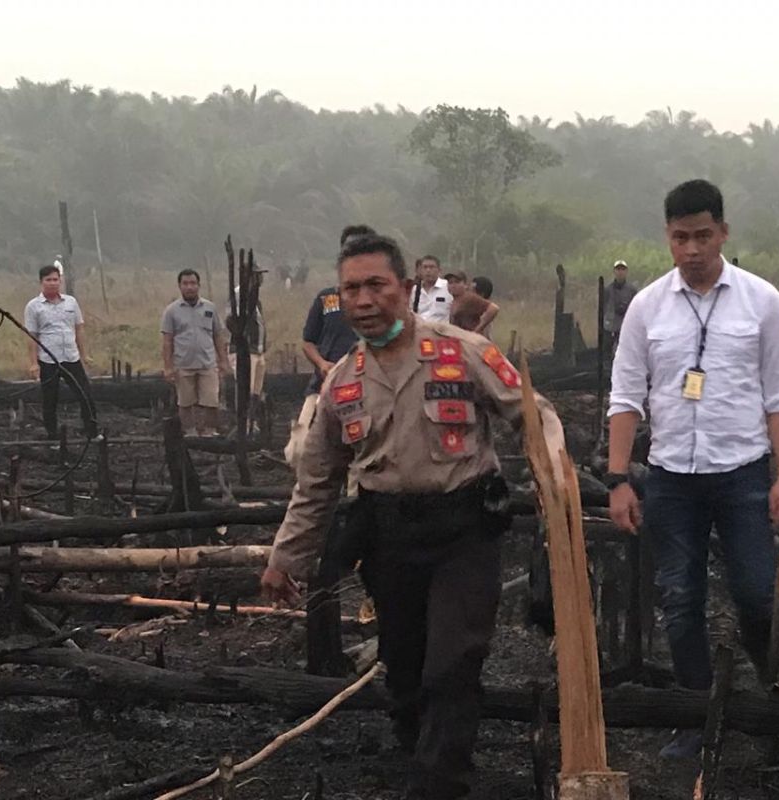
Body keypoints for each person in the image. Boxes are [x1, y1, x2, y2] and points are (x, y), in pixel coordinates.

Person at [261, 234, 564, 800]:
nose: (364, 299)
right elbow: (318, 481)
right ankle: (420, 750)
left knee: (454, 662)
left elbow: (533, 413)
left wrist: (557, 484)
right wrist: (287, 557)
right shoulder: (341, 381)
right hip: (388, 537)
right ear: (340, 298)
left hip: (464, 532)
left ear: (404, 289)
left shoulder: (461, 350)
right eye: (352, 288)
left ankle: (439, 785)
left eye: (377, 285)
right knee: (403, 673)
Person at [605, 179, 779, 758]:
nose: (691, 249)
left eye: (703, 236)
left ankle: (775, 705)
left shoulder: (762, 301)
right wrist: (619, 479)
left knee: (758, 594)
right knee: (679, 597)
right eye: (680, 237)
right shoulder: (646, 306)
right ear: (667, 237)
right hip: (670, 478)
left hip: (741, 472)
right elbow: (625, 396)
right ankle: (696, 715)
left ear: (723, 233)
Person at [285, 225, 368, 468]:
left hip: (365, 389)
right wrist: (321, 363)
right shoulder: (326, 297)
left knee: (359, 458)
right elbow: (308, 342)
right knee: (299, 451)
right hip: (323, 384)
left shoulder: (379, 300)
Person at [24, 265, 99, 440]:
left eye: (55, 280)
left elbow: (79, 329)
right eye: (48, 280)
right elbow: (31, 336)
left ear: (60, 281)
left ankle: (92, 433)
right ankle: (52, 436)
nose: (52, 283)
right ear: (41, 282)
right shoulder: (34, 307)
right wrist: (34, 363)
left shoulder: (71, 302)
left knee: (85, 395)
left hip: (71, 358)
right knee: (50, 400)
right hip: (48, 360)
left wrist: (84, 354)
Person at [160, 269, 230, 436]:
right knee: (185, 402)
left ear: (199, 286)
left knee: (211, 401)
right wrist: (168, 367)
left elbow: (218, 336)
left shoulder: (210, 308)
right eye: (185, 284)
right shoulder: (171, 311)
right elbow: (167, 341)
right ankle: (190, 433)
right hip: (183, 364)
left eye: (193, 283)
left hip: (207, 363)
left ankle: (209, 432)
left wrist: (223, 360)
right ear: (179, 286)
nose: (189, 287)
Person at [225, 274, 269, 411]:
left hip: (257, 349)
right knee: (245, 389)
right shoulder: (240, 294)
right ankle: (244, 421)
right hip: (246, 350)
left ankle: (252, 420)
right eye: (257, 275)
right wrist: (243, 341)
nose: (261, 278)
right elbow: (234, 320)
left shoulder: (253, 296)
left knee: (255, 390)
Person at [445, 270, 499, 334]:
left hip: (470, 340)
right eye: (450, 283)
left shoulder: (469, 298)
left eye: (457, 282)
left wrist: (477, 330)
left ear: (465, 285)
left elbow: (494, 308)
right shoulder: (454, 300)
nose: (453, 285)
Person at [602, 259, 638, 351]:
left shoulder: (632, 290)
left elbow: (636, 309)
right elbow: (604, 308)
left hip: (626, 327)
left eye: (622, 269)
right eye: (618, 269)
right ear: (614, 271)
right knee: (607, 352)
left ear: (626, 272)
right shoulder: (608, 290)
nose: (620, 272)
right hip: (610, 328)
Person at [411, 254, 452, 323]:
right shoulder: (415, 290)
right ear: (420, 270)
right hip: (421, 331)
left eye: (432, 267)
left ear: (439, 270)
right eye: (425, 267)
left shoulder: (447, 287)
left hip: (441, 331)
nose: (428, 270)